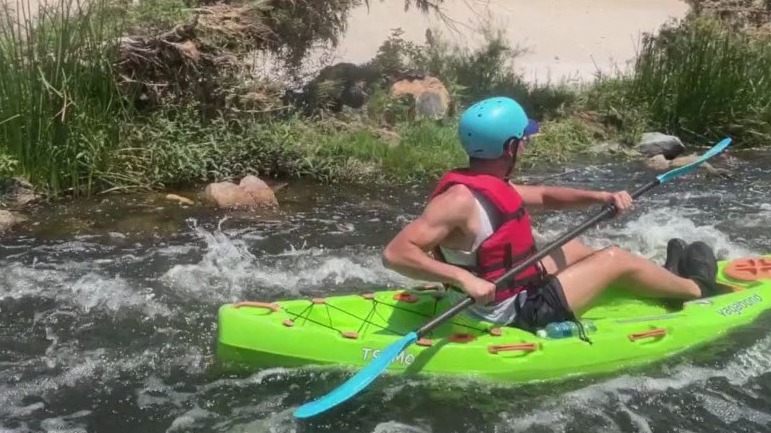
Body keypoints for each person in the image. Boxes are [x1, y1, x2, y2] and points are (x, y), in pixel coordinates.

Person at [381, 96, 725, 337]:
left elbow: (546, 196)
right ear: (510, 147)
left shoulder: (489, 185)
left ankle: (659, 277)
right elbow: (396, 254)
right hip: (508, 312)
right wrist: (463, 279)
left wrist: (601, 196)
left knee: (574, 249)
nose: (527, 146)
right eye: (524, 141)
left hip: (511, 289)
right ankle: (696, 287)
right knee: (615, 259)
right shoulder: (458, 201)